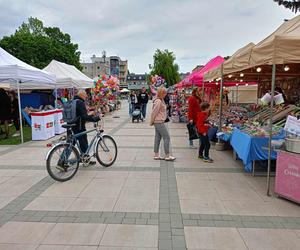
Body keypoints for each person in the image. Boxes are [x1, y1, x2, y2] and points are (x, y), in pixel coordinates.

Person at [71, 90, 100, 165]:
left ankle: (61, 162)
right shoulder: (80, 102)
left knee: (70, 145)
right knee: (84, 143)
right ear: (82, 95)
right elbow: (84, 117)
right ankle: (86, 159)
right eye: (85, 95)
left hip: (71, 126)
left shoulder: (72, 101)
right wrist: (95, 118)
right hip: (79, 127)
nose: (86, 96)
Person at [150, 87, 176, 161]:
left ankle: (156, 155)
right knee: (167, 137)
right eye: (164, 93)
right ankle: (167, 155)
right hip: (158, 121)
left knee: (157, 138)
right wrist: (151, 121)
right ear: (161, 93)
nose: (166, 94)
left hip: (158, 121)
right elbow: (154, 112)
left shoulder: (160, 100)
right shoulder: (158, 101)